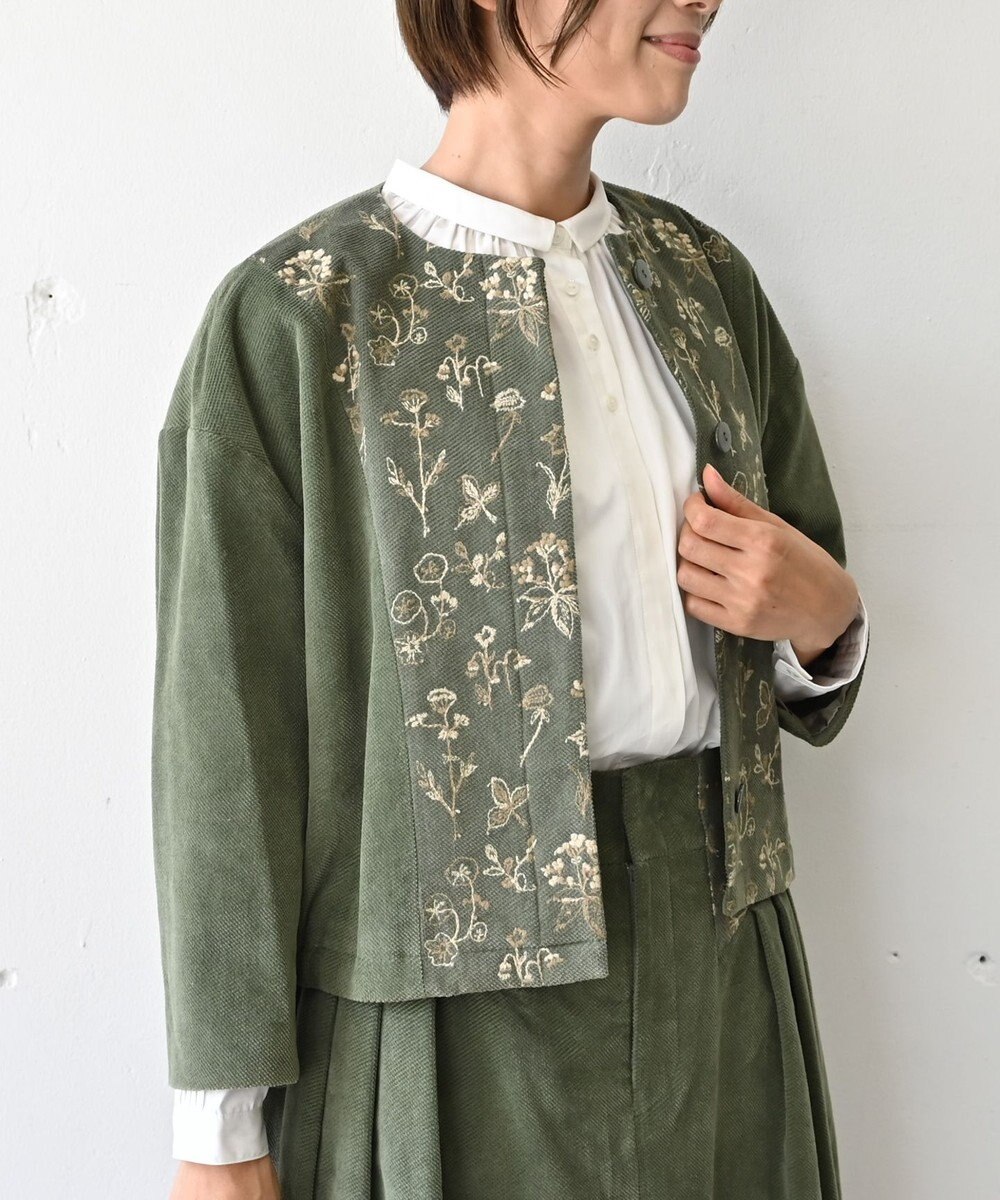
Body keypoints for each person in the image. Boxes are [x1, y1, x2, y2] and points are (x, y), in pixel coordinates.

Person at [154, 2, 871, 1198]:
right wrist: (218, 1132)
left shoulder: (705, 285)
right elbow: (223, 745)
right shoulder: (301, 315)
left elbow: (808, 634)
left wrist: (826, 621)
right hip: (445, 1013)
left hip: (721, 972)